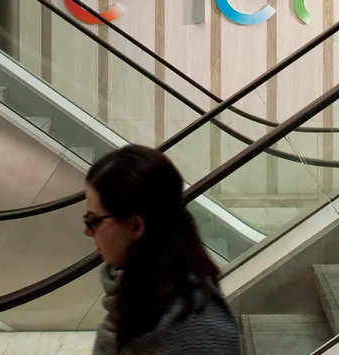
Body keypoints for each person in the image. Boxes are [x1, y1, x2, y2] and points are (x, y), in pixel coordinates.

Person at [84, 146, 241, 355]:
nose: (86, 231)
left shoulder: (195, 332)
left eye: (93, 220)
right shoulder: (133, 296)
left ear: (135, 225)